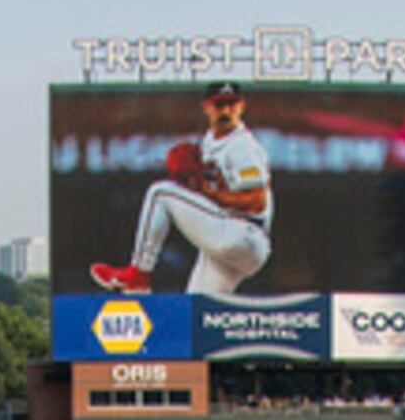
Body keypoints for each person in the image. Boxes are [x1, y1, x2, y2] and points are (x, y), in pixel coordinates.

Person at [90, 81, 276, 295]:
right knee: (196, 310)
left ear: (241, 107)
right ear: (206, 107)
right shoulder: (210, 141)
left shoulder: (242, 146)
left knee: (160, 193)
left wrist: (208, 193)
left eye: (231, 105)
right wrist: (197, 187)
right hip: (234, 245)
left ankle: (138, 273)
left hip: (243, 233)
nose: (226, 111)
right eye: (219, 105)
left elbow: (256, 201)